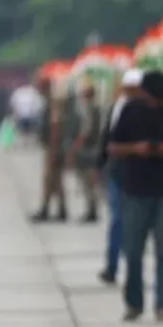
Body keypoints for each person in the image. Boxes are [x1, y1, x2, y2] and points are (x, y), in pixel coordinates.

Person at [108, 70, 163, 323]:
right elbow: (113, 147)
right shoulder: (130, 111)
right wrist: (136, 148)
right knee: (132, 250)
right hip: (135, 188)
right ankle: (134, 303)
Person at [97, 68, 144, 284]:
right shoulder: (117, 108)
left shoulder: (146, 110)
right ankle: (112, 265)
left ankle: (132, 268)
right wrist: (101, 164)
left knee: (134, 224)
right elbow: (106, 138)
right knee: (117, 220)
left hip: (137, 176)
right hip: (117, 173)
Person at [32, 75, 69, 222]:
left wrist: (53, 149)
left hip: (54, 147)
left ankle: (46, 209)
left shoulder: (52, 101)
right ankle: (61, 209)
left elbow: (55, 125)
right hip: (55, 146)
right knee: (56, 179)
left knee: (49, 179)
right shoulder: (51, 100)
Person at [68, 77, 103, 223]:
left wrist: (76, 146)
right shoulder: (93, 108)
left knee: (88, 181)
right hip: (92, 148)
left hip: (88, 149)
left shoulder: (90, 109)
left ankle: (92, 209)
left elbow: (86, 130)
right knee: (89, 182)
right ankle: (91, 208)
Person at [8, 82, 44, 147]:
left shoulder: (30, 92)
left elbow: (13, 104)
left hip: (28, 116)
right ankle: (26, 140)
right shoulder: (31, 92)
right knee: (25, 129)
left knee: (26, 129)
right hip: (26, 116)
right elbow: (39, 106)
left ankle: (25, 140)